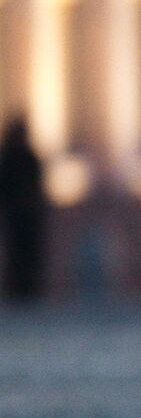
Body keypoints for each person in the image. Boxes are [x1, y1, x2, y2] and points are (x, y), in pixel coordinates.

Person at [0, 117, 46, 300]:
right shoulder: (20, 158)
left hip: (24, 214)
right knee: (20, 254)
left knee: (24, 253)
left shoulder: (22, 158)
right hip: (21, 214)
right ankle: (22, 288)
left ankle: (25, 288)